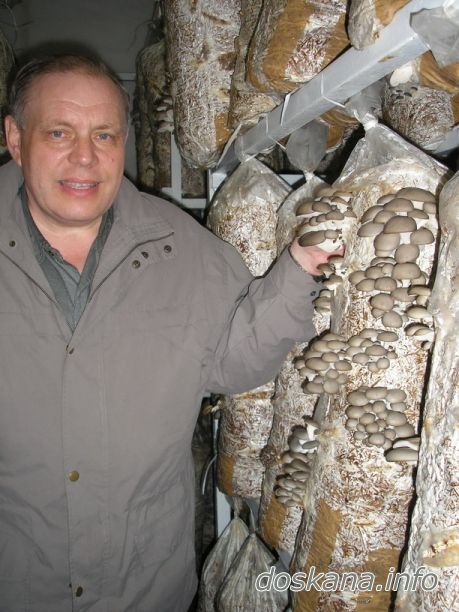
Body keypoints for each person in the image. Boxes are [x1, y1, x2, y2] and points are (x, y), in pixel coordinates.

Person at [0, 54, 336, 612]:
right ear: (15, 138)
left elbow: (233, 361)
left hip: (143, 585)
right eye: (59, 132)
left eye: (104, 135)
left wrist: (297, 271)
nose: (85, 157)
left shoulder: (178, 245)